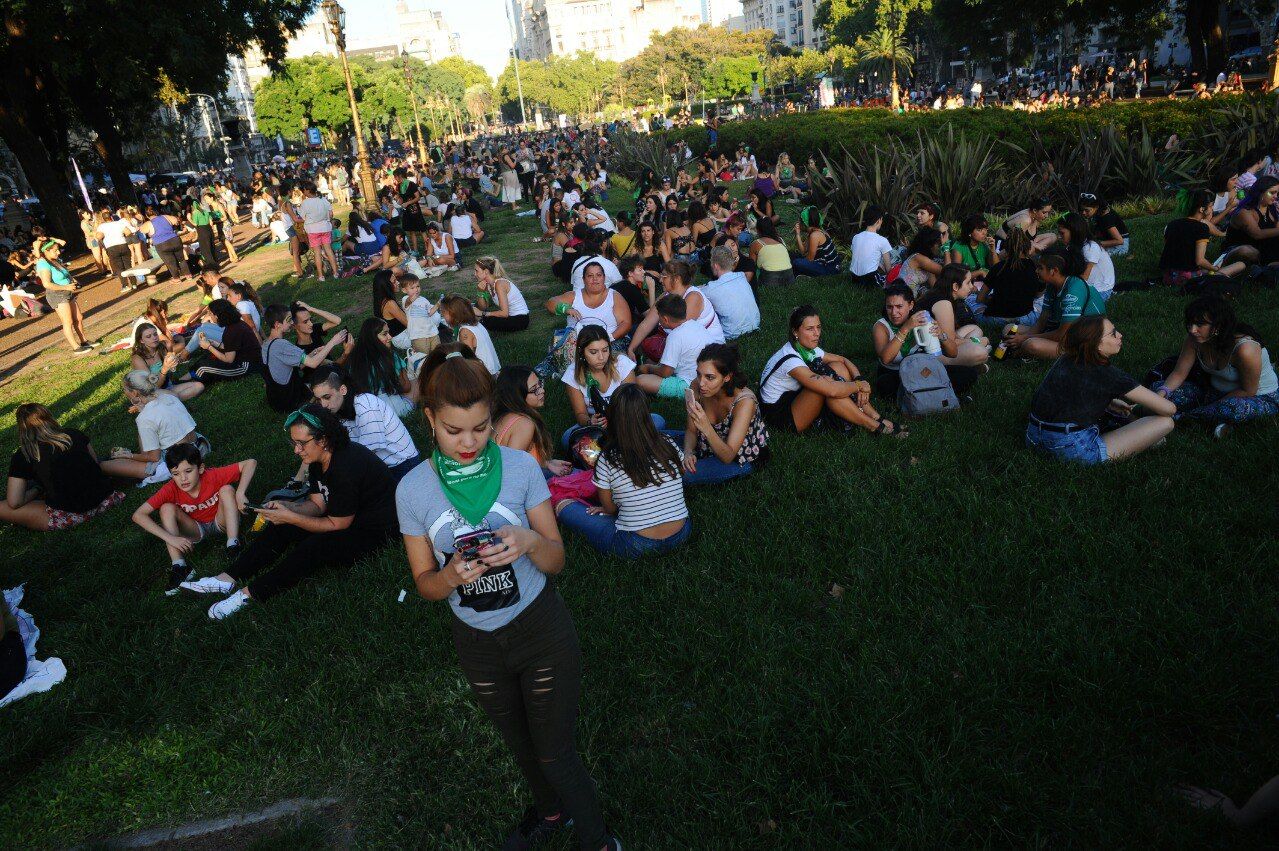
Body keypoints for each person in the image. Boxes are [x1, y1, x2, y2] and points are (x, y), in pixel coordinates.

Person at [396, 353, 622, 851]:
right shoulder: (412, 490)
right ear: (430, 419)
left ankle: (598, 839)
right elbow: (424, 583)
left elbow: (556, 559)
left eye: (480, 428)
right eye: (454, 431)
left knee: (554, 753)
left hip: (540, 629)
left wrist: (528, 541)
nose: (470, 443)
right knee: (521, 747)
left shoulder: (520, 466)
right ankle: (550, 812)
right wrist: (451, 575)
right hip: (477, 643)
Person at [182, 405, 399, 621]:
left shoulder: (346, 466)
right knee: (282, 526)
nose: (296, 450)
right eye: (294, 443)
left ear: (322, 440)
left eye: (301, 443)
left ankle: (248, 595)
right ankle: (225, 579)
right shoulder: (317, 460)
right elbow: (317, 505)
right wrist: (288, 509)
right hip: (345, 516)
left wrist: (293, 517)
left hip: (374, 530)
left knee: (314, 547)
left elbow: (337, 524)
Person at [556, 383, 690, 557]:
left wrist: (609, 508)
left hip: (636, 543)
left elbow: (610, 509)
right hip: (681, 532)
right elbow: (681, 474)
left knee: (562, 505)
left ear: (612, 416)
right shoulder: (667, 442)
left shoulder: (607, 457)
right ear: (646, 414)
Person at [1026, 316, 1176, 463]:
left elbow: (1072, 394)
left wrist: (1110, 403)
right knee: (1165, 423)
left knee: (1127, 414)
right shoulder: (1109, 374)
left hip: (1033, 437)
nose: (1120, 335)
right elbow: (1169, 409)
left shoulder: (1067, 359)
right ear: (1096, 343)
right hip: (1072, 447)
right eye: (1113, 333)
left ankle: (1135, 422)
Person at [759, 304, 906, 436]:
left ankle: (876, 417)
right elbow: (832, 390)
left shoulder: (806, 348)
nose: (817, 333)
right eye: (810, 329)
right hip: (781, 416)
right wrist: (859, 386)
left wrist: (859, 379)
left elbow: (842, 360)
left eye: (819, 327)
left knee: (837, 368)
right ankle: (874, 426)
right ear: (795, 332)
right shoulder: (791, 361)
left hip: (794, 398)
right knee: (828, 386)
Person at [132, 445, 256, 593]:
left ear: (201, 468)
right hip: (195, 529)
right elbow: (138, 515)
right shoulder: (171, 488)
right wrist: (170, 538)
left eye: (188, 471)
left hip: (222, 521)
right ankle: (179, 566)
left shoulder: (212, 476)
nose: (183, 478)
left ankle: (233, 544)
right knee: (166, 508)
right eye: (176, 474)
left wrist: (240, 493)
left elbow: (251, 462)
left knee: (227, 489)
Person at [1152, 295, 1279, 436]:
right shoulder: (1193, 340)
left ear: (1218, 326)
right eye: (1190, 324)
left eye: (1199, 324)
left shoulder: (1245, 349)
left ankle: (1182, 418)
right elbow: (1178, 373)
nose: (1192, 330)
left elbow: (1248, 391)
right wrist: (1158, 397)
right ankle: (1218, 423)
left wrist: (1212, 406)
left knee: (1232, 408)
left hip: (1256, 397)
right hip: (1212, 392)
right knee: (1159, 390)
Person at [0, 404, 124, 531]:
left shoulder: (24, 455)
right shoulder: (73, 434)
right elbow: (95, 463)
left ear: (22, 428)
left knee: (3, 507)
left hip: (70, 515)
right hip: (107, 499)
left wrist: (37, 490)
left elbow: (15, 502)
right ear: (49, 417)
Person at [672, 344, 768, 485]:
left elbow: (728, 456)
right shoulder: (697, 387)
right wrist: (688, 452)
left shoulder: (744, 402)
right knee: (653, 439)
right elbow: (691, 430)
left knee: (678, 474)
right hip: (703, 445)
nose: (701, 383)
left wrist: (706, 427)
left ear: (727, 377)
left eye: (710, 377)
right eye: (699, 374)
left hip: (738, 457)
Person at [309, 368, 422, 481]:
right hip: (381, 465)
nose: (323, 405)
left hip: (402, 465)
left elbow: (365, 453)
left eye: (327, 397)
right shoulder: (338, 410)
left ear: (343, 390)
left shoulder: (365, 405)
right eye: (319, 400)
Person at [99, 370, 211, 484]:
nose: (124, 392)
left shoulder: (144, 418)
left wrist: (130, 455)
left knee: (103, 466)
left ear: (135, 393)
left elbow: (154, 458)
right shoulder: (169, 397)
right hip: (199, 446)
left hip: (179, 460)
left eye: (125, 390)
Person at [1003, 251, 1105, 361]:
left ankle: (1031, 353)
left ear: (1054, 271)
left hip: (1083, 342)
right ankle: (1025, 350)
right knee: (1008, 329)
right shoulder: (1052, 285)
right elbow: (1042, 321)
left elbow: (1062, 335)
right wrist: (1021, 339)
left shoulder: (1074, 290)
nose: (1036, 271)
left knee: (1031, 345)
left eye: (1040, 268)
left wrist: (1024, 339)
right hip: (1062, 332)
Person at [261, 304, 351, 413]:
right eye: (288, 320)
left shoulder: (266, 344)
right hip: (291, 401)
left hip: (276, 400)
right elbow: (313, 363)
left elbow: (295, 366)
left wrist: (313, 352)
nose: (292, 323)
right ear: (277, 324)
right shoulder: (282, 345)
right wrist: (333, 342)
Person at [626, 260, 721, 362]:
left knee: (651, 349)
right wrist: (631, 349)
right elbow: (647, 323)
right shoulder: (666, 294)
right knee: (645, 344)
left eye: (664, 276)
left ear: (676, 279)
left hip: (710, 351)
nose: (660, 280)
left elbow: (680, 334)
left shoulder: (693, 297)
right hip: (683, 343)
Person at [1157, 189, 1248, 287]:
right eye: (1210, 206)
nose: (1212, 209)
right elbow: (1199, 261)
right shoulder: (1202, 228)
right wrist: (1214, 268)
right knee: (1240, 265)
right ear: (1201, 209)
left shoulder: (1172, 224)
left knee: (1206, 269)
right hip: (1186, 278)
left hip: (1167, 276)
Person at [635, 294, 718, 400]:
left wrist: (648, 368)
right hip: (708, 378)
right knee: (653, 363)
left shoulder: (675, 336)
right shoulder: (695, 324)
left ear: (665, 319)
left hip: (690, 384)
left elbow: (666, 372)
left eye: (659, 316)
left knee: (640, 380)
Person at [493, 366, 572, 476]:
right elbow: (511, 472)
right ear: (518, 396)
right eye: (534, 389)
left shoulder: (503, 415)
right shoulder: (524, 425)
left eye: (540, 384)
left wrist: (547, 463)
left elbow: (524, 457)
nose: (542, 390)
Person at [914, 264, 991, 369]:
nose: (971, 287)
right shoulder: (943, 303)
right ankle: (951, 365)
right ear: (955, 286)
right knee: (981, 352)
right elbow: (950, 345)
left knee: (974, 329)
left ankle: (967, 361)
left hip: (938, 342)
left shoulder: (938, 295)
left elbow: (950, 335)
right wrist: (979, 341)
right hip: (931, 353)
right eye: (968, 282)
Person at [969, 227, 1044, 329]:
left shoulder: (998, 267)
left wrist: (991, 300)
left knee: (970, 298)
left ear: (1005, 249)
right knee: (1043, 299)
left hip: (995, 320)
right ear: (1027, 247)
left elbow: (980, 299)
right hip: (1025, 319)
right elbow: (1038, 295)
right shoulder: (1034, 267)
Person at [347, 317, 420, 417]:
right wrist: (403, 369)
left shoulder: (354, 360)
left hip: (368, 414)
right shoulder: (389, 356)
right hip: (395, 411)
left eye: (388, 333)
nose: (390, 337)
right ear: (373, 337)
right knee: (418, 381)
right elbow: (406, 387)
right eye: (384, 334)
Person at [34, 239, 92, 354]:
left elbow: (66, 274)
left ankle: (84, 341)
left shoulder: (56, 260)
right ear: (46, 251)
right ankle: (75, 347)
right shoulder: (43, 263)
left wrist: (74, 281)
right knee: (68, 321)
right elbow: (47, 283)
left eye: (58, 250)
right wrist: (66, 287)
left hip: (67, 292)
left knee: (78, 318)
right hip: (57, 294)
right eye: (55, 250)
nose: (58, 252)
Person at [190, 299, 262, 388]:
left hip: (246, 366)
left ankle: (191, 384)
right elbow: (233, 347)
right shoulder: (236, 323)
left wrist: (208, 346)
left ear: (217, 316)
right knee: (207, 357)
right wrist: (214, 344)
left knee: (202, 367)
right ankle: (183, 380)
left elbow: (229, 359)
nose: (209, 316)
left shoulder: (231, 331)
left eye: (210, 314)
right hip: (246, 359)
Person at [131, 322, 201, 402]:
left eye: (155, 334)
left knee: (199, 386)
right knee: (172, 395)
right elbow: (151, 387)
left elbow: (172, 370)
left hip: (168, 387)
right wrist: (164, 369)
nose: (154, 338)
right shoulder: (138, 358)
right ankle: (163, 400)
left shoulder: (164, 346)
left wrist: (174, 362)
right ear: (141, 340)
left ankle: (167, 401)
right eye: (148, 336)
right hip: (150, 393)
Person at [1220, 175, 1279, 267]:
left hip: (1263, 247)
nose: (1276, 197)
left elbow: (1275, 231)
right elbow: (1257, 234)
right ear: (1261, 192)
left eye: (1277, 193)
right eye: (1272, 193)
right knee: (1248, 250)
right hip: (1240, 248)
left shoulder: (1271, 208)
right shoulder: (1245, 212)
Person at [703, 245, 759, 340]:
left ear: (715, 265)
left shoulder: (711, 289)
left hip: (732, 333)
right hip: (755, 325)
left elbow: (693, 294)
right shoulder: (742, 276)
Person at [1057, 212, 1115, 300]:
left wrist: (1067, 290)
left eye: (1062, 233)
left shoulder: (1090, 247)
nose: (1059, 237)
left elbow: (1084, 276)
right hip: (1088, 287)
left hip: (1101, 290)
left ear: (1074, 231)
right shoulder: (1074, 246)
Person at [439, 295, 502, 375]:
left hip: (484, 374)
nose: (442, 316)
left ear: (454, 314)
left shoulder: (465, 332)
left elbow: (468, 358)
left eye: (443, 313)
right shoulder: (476, 324)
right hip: (492, 370)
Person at [474, 256, 531, 333]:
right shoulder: (488, 284)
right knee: (478, 315)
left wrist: (482, 314)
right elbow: (484, 307)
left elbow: (504, 313)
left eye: (476, 271)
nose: (475, 274)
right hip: (510, 316)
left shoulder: (499, 284)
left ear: (486, 271)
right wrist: (480, 292)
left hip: (520, 319)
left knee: (484, 320)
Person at [140, 205, 191, 282]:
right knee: (181, 259)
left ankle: (176, 279)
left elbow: (142, 230)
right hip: (175, 240)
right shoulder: (165, 216)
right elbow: (176, 220)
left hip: (162, 244)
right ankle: (188, 275)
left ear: (146, 215)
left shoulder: (148, 223)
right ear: (156, 212)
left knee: (170, 262)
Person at [849, 205, 894, 287]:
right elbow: (888, 269)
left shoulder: (856, 237)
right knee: (892, 277)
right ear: (879, 220)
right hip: (870, 279)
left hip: (854, 278)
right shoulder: (882, 240)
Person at [94, 209, 137, 293]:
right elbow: (128, 232)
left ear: (103, 219)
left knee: (119, 267)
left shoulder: (102, 226)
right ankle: (134, 283)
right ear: (111, 217)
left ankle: (125, 285)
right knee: (128, 264)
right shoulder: (119, 223)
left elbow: (98, 237)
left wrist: (104, 236)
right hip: (123, 245)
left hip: (111, 248)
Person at [791, 206, 842, 277]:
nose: (799, 223)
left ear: (805, 222)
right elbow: (803, 251)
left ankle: (798, 273)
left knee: (796, 262)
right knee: (792, 255)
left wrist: (799, 260)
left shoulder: (815, 235)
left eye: (800, 220)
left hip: (830, 269)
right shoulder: (815, 231)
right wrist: (797, 234)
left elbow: (809, 259)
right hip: (824, 264)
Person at [400, 274, 442, 358]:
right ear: (404, 290)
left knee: (438, 354)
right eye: (412, 288)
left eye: (418, 286)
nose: (416, 289)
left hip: (432, 332)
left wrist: (438, 304)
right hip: (418, 335)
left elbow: (429, 313)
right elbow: (409, 301)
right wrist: (413, 296)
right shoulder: (405, 299)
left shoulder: (423, 300)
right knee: (423, 357)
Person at [896, 227, 944, 294]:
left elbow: (934, 286)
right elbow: (947, 271)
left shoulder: (924, 260)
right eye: (938, 243)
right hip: (902, 299)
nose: (940, 246)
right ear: (930, 244)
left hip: (906, 297)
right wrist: (946, 248)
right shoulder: (919, 258)